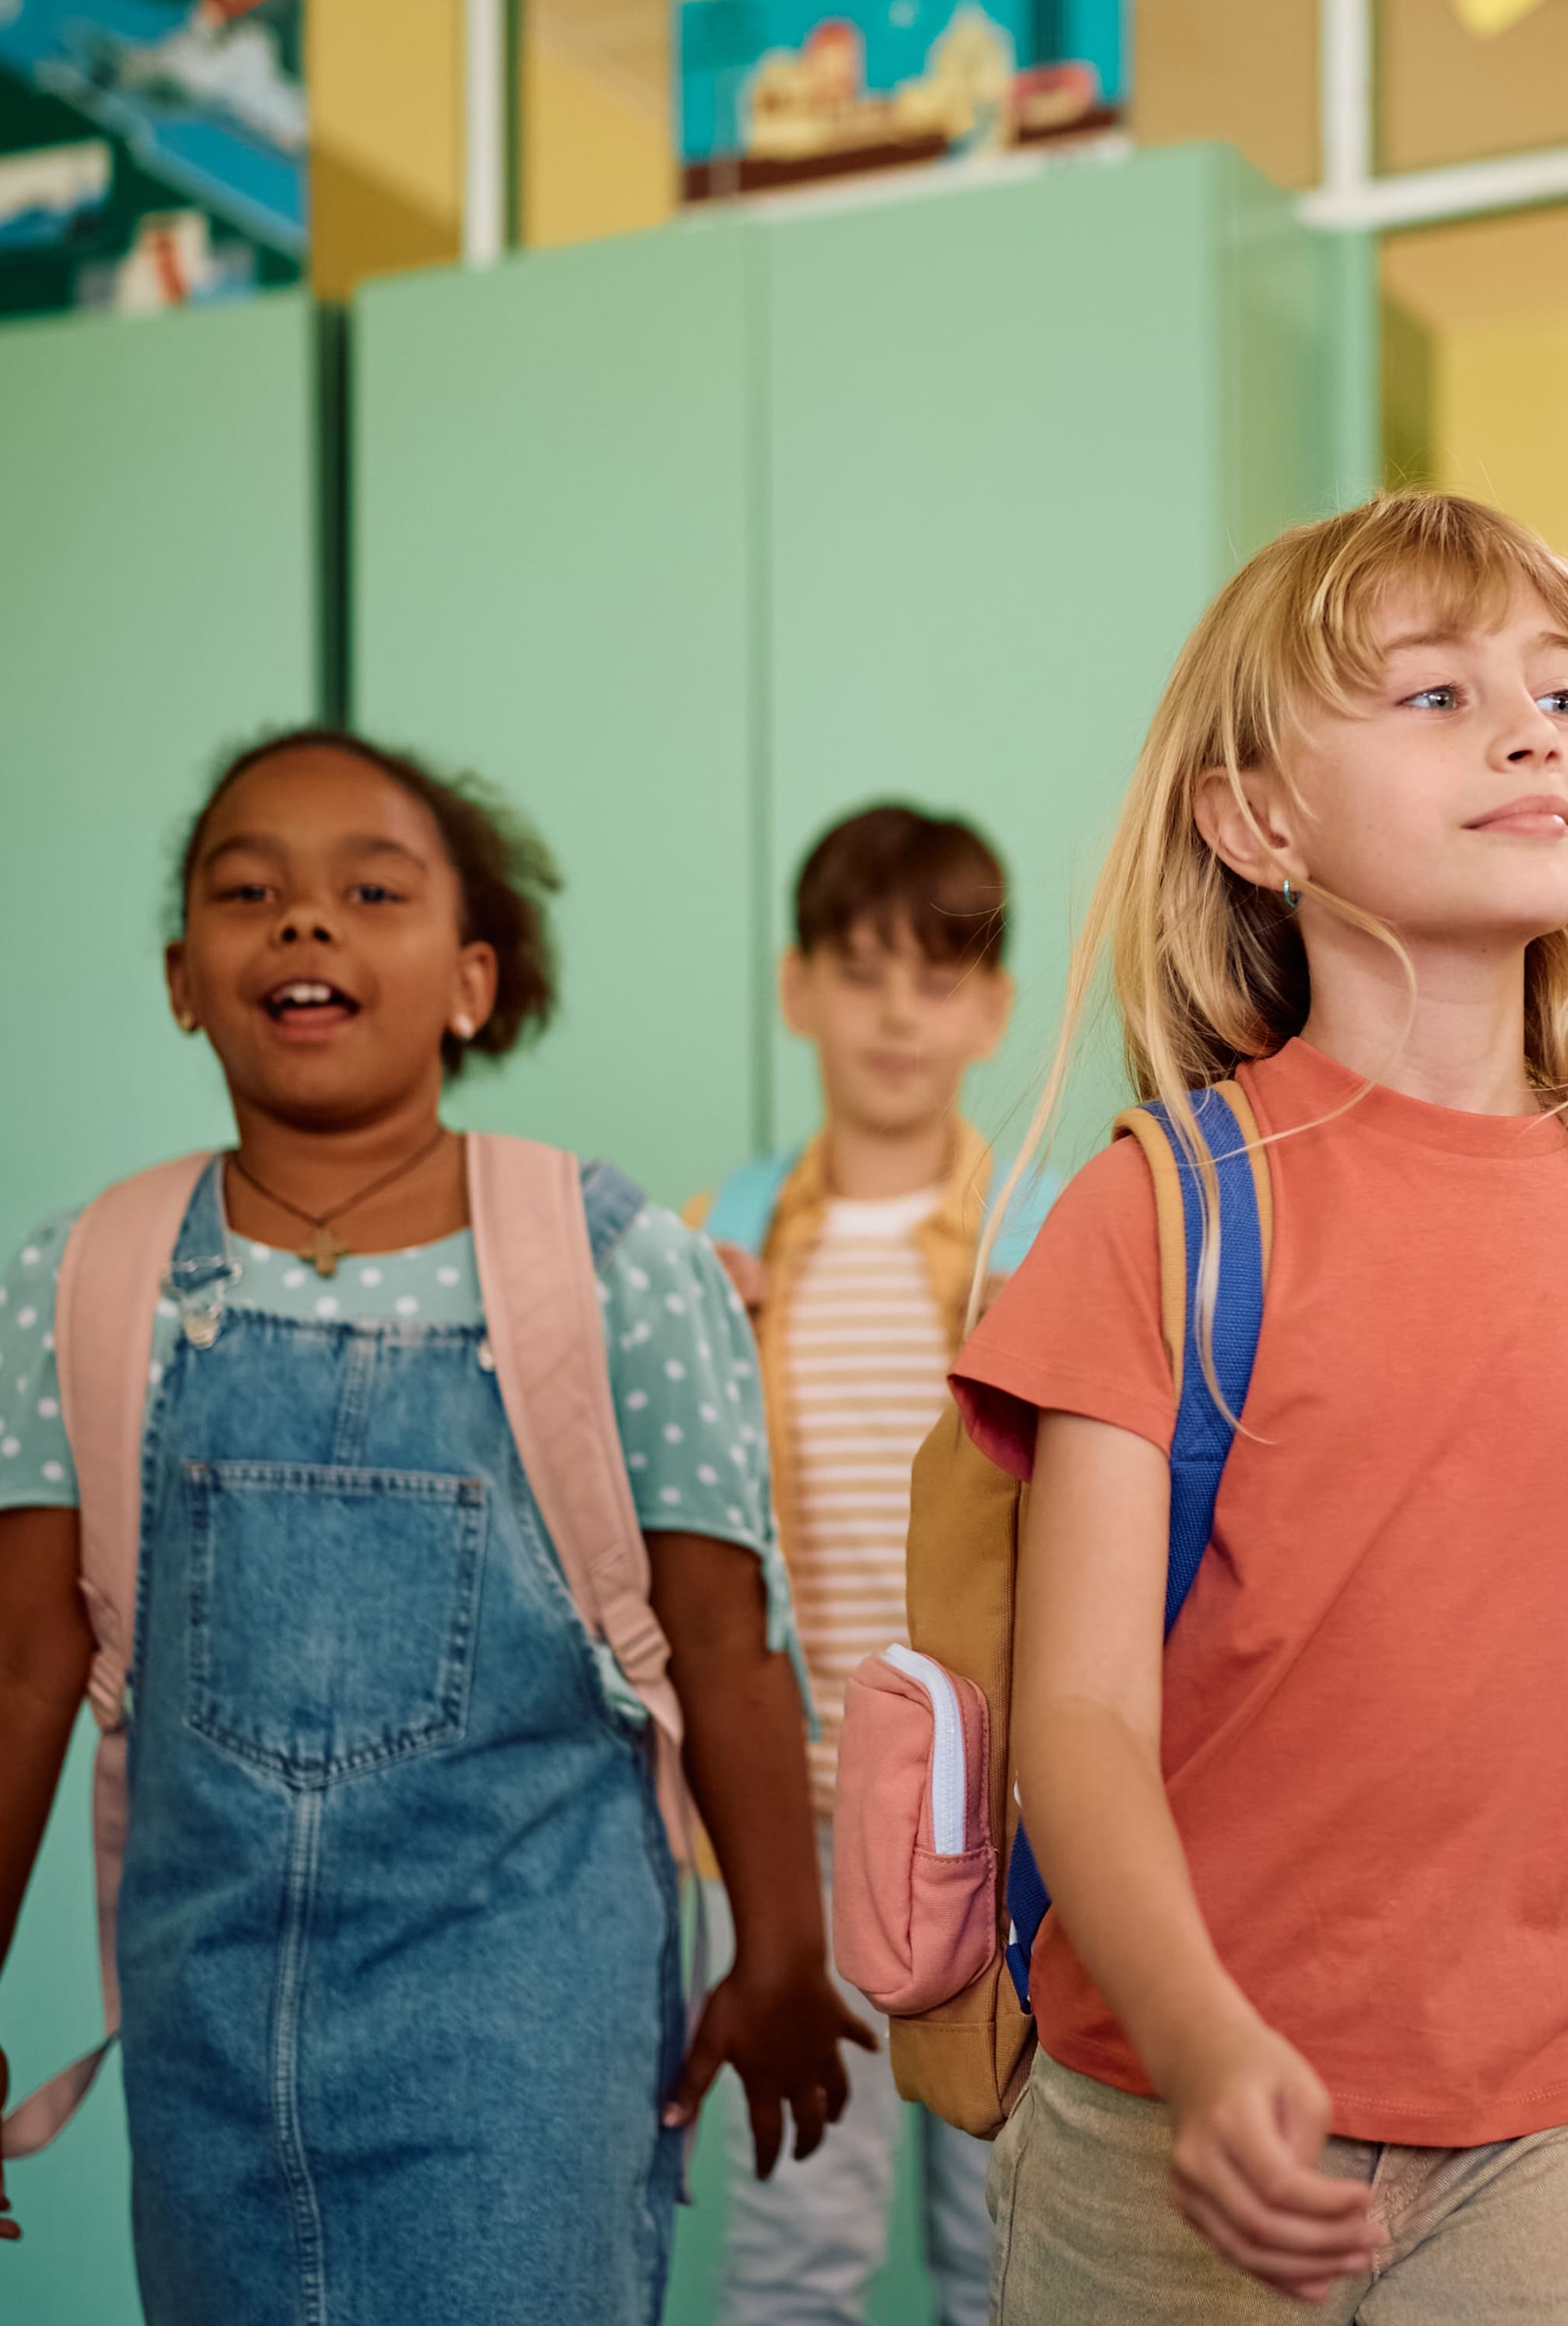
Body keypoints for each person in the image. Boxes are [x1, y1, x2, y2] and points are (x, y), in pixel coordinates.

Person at [0, 729, 856, 2324]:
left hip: (533, 2032)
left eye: (371, 890)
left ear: (474, 980)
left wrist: (778, 1945)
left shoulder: (617, 1266)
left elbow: (727, 1643)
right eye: (247, 889)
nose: (305, 923)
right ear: (182, 978)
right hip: (211, 2051)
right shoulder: (82, 1282)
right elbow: (3, 1667)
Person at [947, 491, 1568, 2324]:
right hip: (1155, 2125)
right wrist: (1204, 2046)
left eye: (1560, 695)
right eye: (1430, 697)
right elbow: (1076, 1713)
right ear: (1255, 822)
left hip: (1540, 2153)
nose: (1525, 729)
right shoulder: (1161, 1210)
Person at [689, 803, 1038, 2326]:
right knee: (793, 2252)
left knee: (1008, 2245)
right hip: (785, 1828)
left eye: (940, 975)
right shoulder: (716, 1245)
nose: (900, 1012)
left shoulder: (1045, 1247)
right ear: (797, 988)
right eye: (863, 968)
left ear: (993, 1010)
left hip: (1000, 1819)